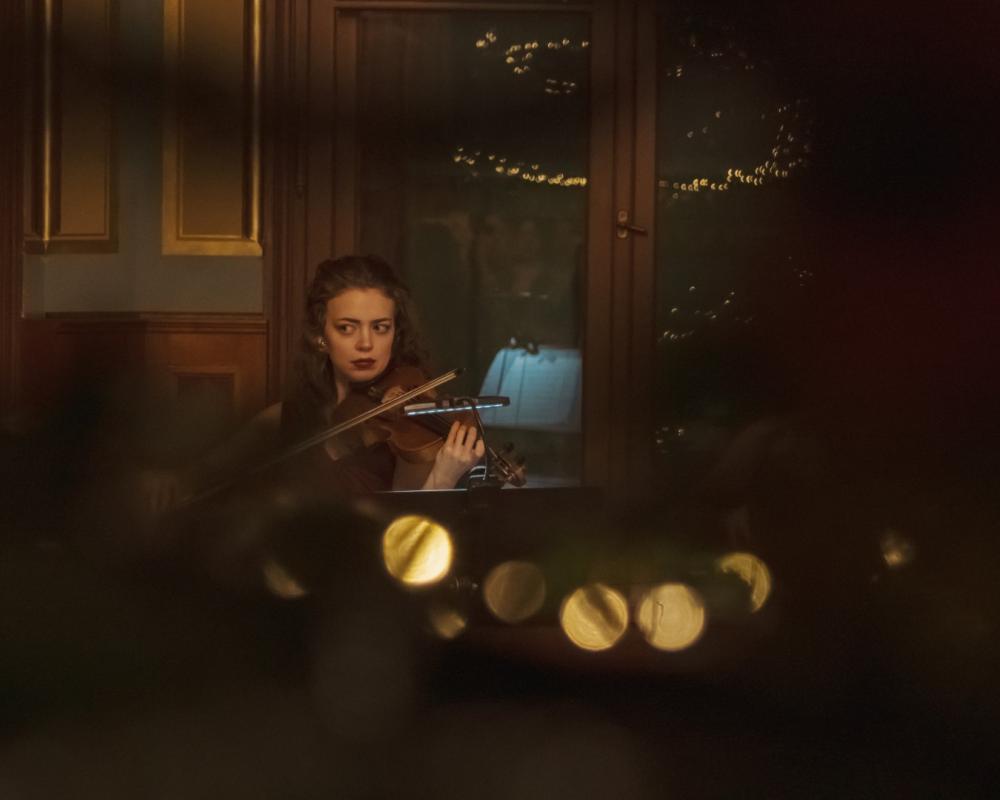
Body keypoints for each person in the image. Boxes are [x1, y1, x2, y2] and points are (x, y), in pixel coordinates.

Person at [142, 255, 484, 512]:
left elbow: (408, 542)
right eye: (347, 328)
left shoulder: (409, 427)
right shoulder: (286, 417)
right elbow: (203, 473)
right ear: (321, 337)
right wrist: (169, 481)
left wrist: (443, 477)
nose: (366, 343)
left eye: (380, 328)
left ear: (395, 336)